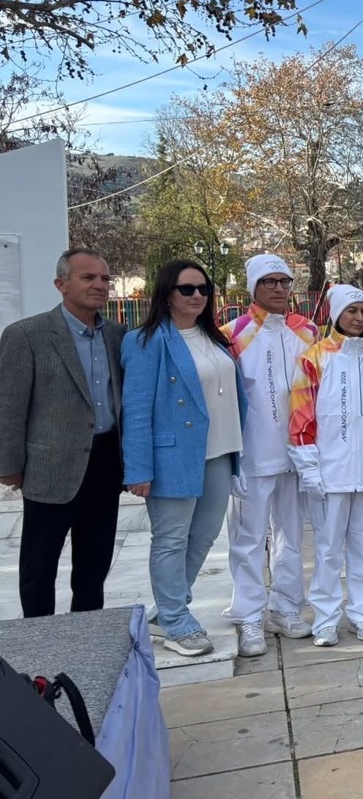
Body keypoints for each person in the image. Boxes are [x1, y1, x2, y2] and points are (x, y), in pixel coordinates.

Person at [122, 260, 247, 657]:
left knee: (205, 535)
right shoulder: (146, 341)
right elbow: (136, 410)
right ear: (166, 294)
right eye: (187, 289)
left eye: (203, 289)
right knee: (171, 539)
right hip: (173, 455)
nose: (197, 296)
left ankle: (168, 611)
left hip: (219, 451)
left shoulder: (213, 337)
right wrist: (139, 469)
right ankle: (176, 621)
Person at [0, 249, 125, 617]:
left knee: (94, 565)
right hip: (50, 466)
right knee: (39, 566)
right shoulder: (27, 335)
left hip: (106, 463)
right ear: (61, 284)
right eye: (89, 277)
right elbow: (9, 406)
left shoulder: (118, 336)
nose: (100, 285)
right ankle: (41, 637)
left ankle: (85, 632)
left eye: (105, 278)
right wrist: (8, 466)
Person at [287, 286, 363, 646]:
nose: (358, 318)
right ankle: (325, 618)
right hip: (330, 473)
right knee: (327, 550)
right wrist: (309, 466)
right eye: (351, 311)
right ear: (336, 314)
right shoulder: (314, 358)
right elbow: (301, 418)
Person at [221, 254, 320, 656]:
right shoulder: (232, 333)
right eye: (269, 282)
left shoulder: (307, 331)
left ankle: (285, 608)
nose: (279, 288)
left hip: (297, 452)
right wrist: (231, 456)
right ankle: (248, 614)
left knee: (290, 535)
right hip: (253, 453)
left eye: (285, 281)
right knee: (248, 537)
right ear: (253, 287)